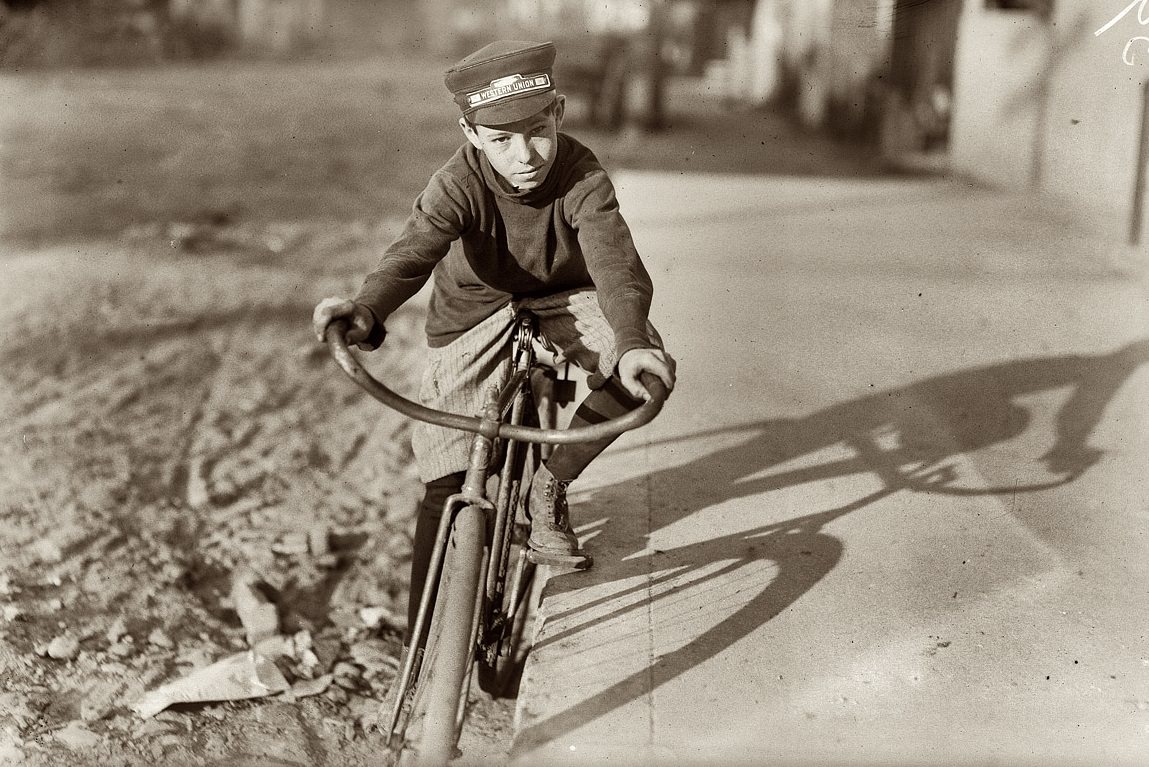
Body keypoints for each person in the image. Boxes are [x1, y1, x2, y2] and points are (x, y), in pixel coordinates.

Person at [312, 40, 676, 631]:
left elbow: (616, 264)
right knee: (449, 475)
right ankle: (423, 638)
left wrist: (632, 340)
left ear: (557, 113)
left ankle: (549, 484)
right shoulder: (457, 182)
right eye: (500, 138)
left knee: (644, 369)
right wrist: (365, 310)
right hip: (475, 308)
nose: (524, 154)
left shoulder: (582, 174)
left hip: (566, 295)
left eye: (536, 130)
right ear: (471, 132)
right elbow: (412, 253)